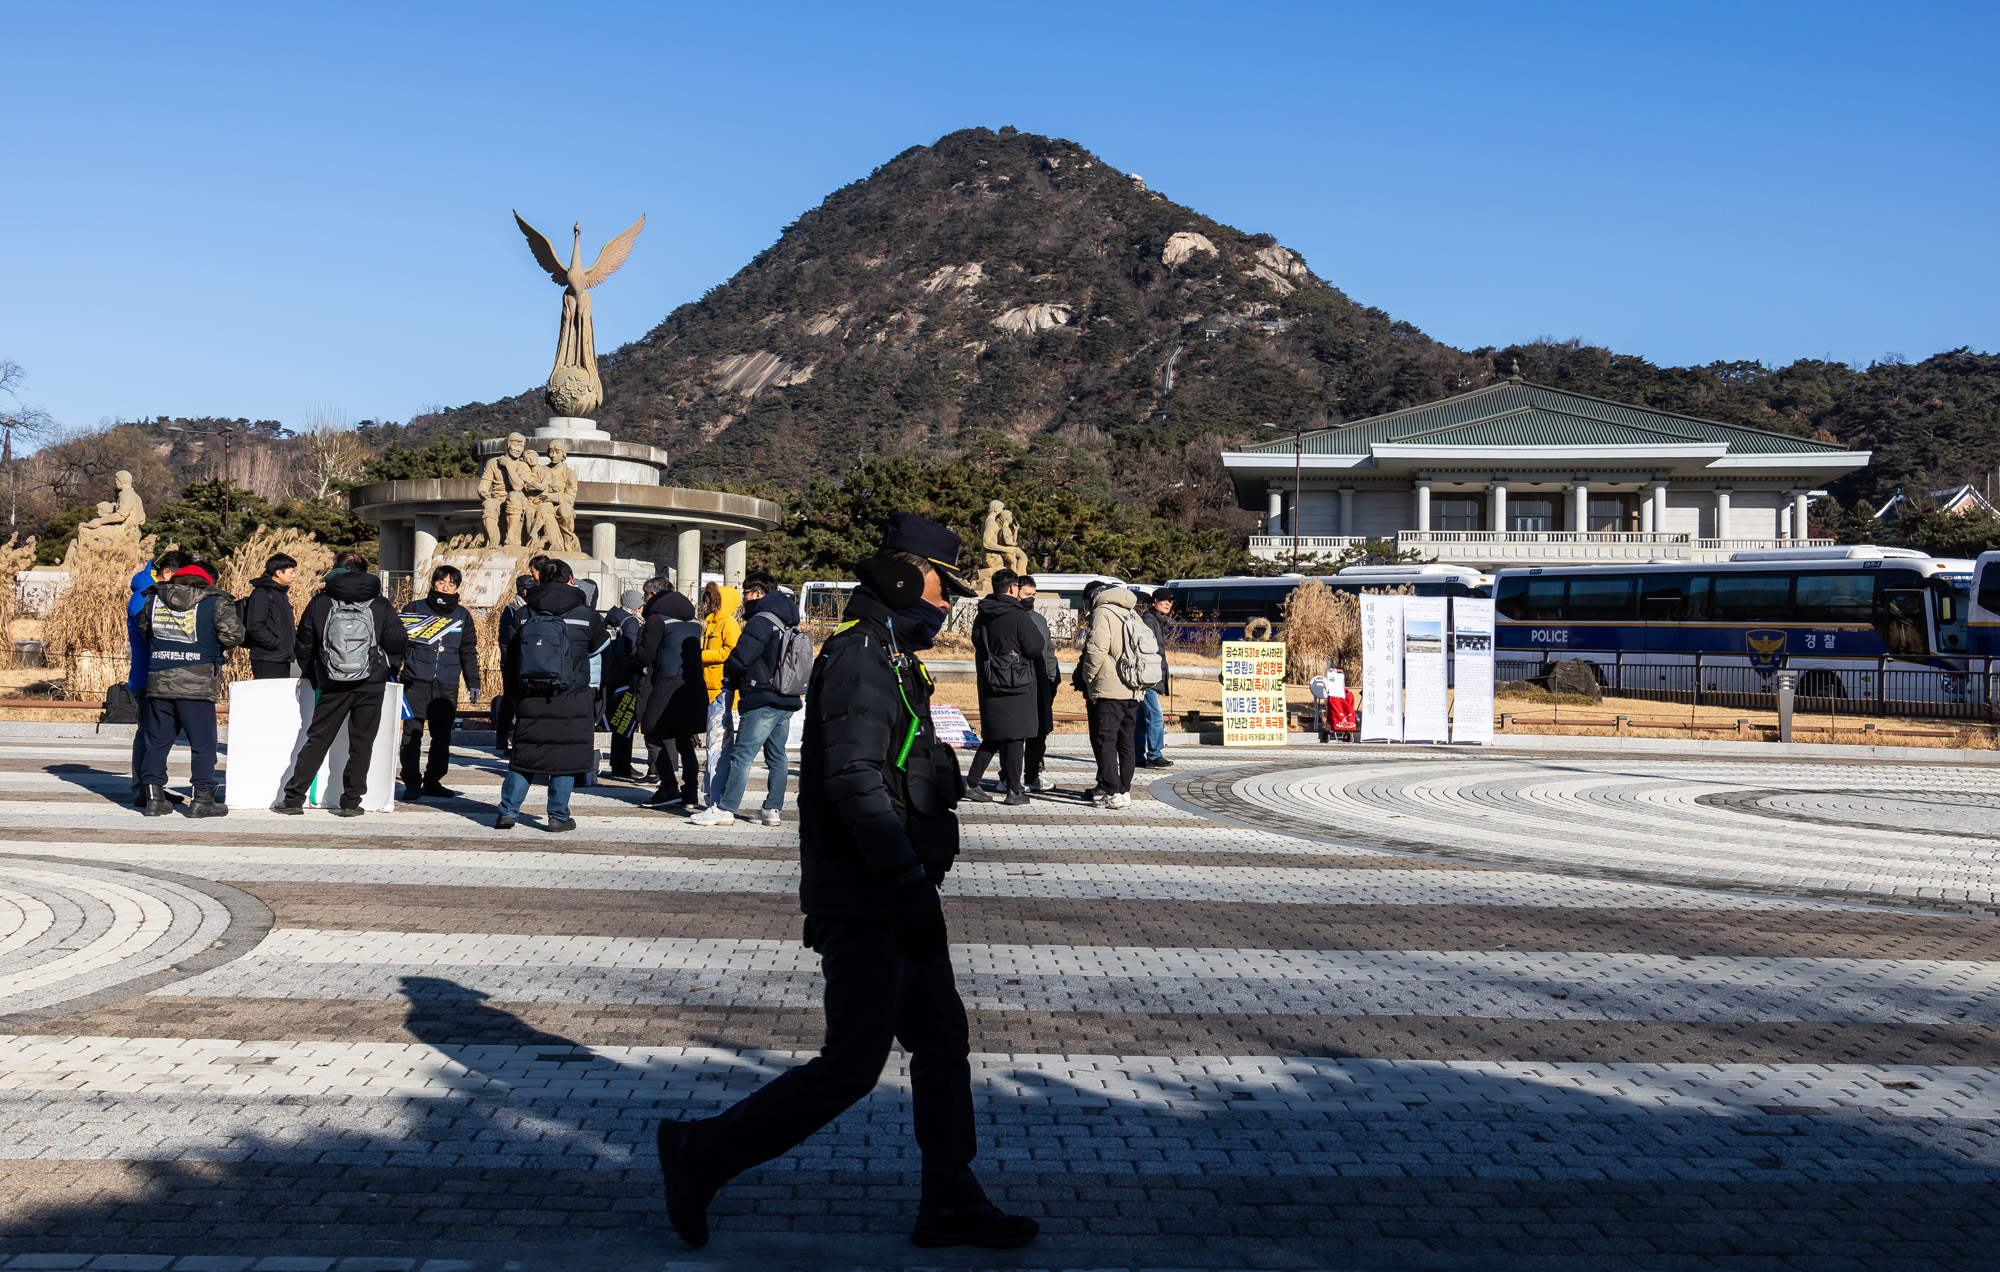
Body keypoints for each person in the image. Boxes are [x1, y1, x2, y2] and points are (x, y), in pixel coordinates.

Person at [656, 513, 1037, 1252]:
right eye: (937, 581)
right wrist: (902, 882)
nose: (945, 598)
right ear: (898, 576)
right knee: (852, 1066)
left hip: (899, 891)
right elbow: (857, 780)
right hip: (871, 897)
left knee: (943, 1041)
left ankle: (951, 1198)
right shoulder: (863, 656)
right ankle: (701, 1153)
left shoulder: (892, 654)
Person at [276, 551, 408, 816]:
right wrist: (387, 667)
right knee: (361, 743)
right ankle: (351, 801)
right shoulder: (379, 603)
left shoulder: (321, 602)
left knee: (317, 739)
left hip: (332, 681)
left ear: (337, 569)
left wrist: (313, 673)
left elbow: (304, 643)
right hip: (371, 684)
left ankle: (293, 799)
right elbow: (397, 641)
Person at [495, 558, 606, 832]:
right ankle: (558, 815)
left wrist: (513, 696)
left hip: (530, 696)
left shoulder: (523, 614)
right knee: (565, 760)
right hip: (573, 696)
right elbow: (599, 648)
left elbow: (508, 660)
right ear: (571, 580)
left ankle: (508, 812)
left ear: (540, 581)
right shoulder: (586, 615)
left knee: (524, 756)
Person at [694, 572, 805, 827]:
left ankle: (724, 808)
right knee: (777, 755)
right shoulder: (789, 620)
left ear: (757, 593)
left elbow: (742, 657)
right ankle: (771, 809)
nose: (744, 598)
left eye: (746, 592)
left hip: (762, 695)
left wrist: (730, 672)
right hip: (787, 695)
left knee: (742, 755)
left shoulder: (761, 620)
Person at [136, 560, 246, 817]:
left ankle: (154, 799)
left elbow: (145, 631)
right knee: (203, 744)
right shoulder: (215, 601)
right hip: (197, 682)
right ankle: (202, 800)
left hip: (159, 678)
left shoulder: (152, 600)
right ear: (205, 581)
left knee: (157, 741)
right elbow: (234, 636)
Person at [396, 563, 480, 801]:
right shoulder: (414, 608)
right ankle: (411, 782)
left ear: (456, 588)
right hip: (415, 680)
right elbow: (398, 643)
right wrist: (393, 673)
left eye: (451, 584)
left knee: (442, 736)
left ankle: (433, 780)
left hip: (446, 683)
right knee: (412, 734)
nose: (445, 587)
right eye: (441, 582)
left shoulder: (462, 615)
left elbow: (468, 651)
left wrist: (473, 681)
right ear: (432, 583)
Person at [962, 569, 1042, 806]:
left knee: (995, 734)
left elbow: (977, 642)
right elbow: (1035, 647)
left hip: (989, 681)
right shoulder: (1018, 616)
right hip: (1016, 684)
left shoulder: (983, 614)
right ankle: (1013, 790)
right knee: (1016, 736)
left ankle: (972, 783)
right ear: (1012, 588)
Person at [126, 549, 193, 808]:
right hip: (148, 675)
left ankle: (152, 787)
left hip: (157, 673)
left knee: (155, 733)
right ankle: (144, 790)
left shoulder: (153, 593)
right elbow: (152, 634)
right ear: (167, 573)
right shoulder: (144, 597)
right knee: (148, 733)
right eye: (183, 578)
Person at [1074, 581, 1148, 809]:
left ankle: (1112, 790)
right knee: (1126, 741)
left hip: (1109, 688)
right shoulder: (1132, 614)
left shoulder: (1103, 612)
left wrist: (1087, 678)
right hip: (1134, 686)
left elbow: (1096, 650)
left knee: (1105, 740)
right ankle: (1124, 790)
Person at [635, 583, 705, 808]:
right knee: (684, 738)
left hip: (667, 683)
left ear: (653, 595)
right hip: (693, 685)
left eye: (646, 598)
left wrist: (631, 656)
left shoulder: (658, 620)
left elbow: (645, 655)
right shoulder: (694, 622)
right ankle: (691, 792)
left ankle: (668, 787)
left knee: (652, 733)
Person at [491, 556, 551, 756]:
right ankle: (502, 738)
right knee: (510, 699)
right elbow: (505, 639)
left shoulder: (534, 607)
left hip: (526, 660)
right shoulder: (513, 609)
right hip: (512, 660)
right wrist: (508, 661)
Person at [696, 581, 742, 809]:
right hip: (711, 690)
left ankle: (716, 800)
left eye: (708, 600)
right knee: (712, 747)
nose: (704, 604)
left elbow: (731, 652)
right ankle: (710, 795)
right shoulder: (713, 624)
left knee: (718, 747)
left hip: (722, 692)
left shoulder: (729, 624)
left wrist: (702, 655)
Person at [1015, 575, 1060, 793]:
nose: (1031, 598)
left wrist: (1052, 678)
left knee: (1039, 732)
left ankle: (1033, 774)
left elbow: (1049, 651)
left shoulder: (1039, 620)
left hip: (1041, 683)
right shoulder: (1011, 617)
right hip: (1018, 683)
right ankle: (1009, 776)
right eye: (1026, 594)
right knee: (1015, 733)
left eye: (1033, 594)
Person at [602, 588, 647, 780]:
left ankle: (618, 764)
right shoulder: (631, 623)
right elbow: (632, 649)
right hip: (626, 678)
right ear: (637, 606)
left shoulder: (612, 620)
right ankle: (622, 766)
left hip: (611, 676)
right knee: (625, 723)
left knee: (619, 722)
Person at [1135, 586, 1175, 769]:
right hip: (1148, 675)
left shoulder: (1155, 620)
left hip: (1149, 674)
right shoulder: (1149, 620)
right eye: (1164, 600)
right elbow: (1149, 650)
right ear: (1154, 602)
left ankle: (1137, 755)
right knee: (1155, 715)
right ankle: (1154, 755)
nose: (1168, 603)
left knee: (1143, 717)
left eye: (1171, 600)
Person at [240, 553, 298, 679]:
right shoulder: (262, 593)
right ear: (278, 573)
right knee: (269, 696)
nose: (294, 576)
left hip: (281, 657)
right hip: (267, 658)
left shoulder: (281, 594)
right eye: (291, 572)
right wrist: (275, 644)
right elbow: (255, 625)